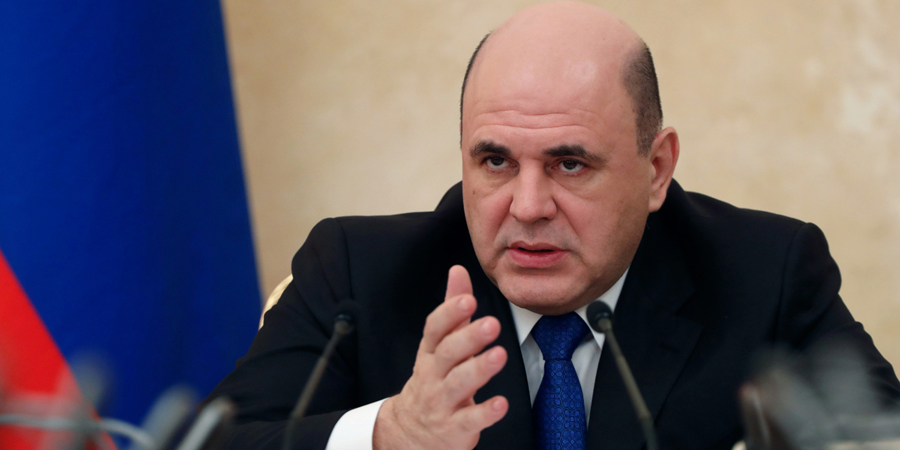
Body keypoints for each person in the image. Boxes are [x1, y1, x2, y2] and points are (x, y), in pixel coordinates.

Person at [206, 2, 900, 449]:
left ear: (656, 169)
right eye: (495, 161)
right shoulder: (359, 273)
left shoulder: (764, 273)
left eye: (570, 164)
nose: (528, 205)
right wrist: (390, 433)